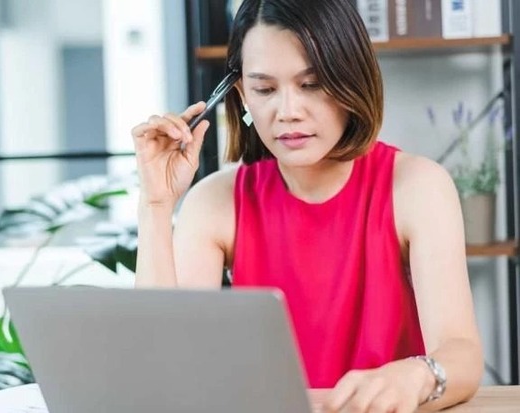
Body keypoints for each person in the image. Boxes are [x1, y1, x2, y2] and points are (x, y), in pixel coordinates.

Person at [130, 0, 483, 411]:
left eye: (311, 84)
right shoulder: (216, 202)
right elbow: (164, 368)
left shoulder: (417, 187)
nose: (288, 112)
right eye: (264, 89)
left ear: (351, 81)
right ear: (241, 95)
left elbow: (461, 354)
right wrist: (155, 205)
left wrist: (418, 375)